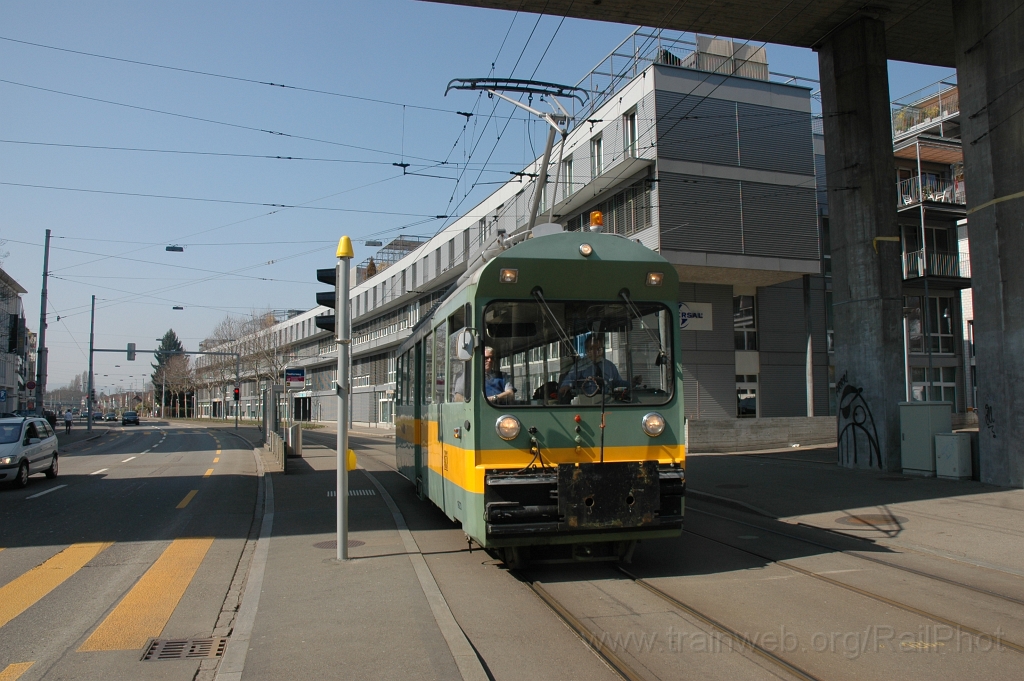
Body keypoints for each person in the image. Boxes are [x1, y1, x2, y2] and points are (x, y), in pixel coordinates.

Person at [559, 334, 628, 400]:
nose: (595, 352)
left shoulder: (610, 366)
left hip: (608, 402)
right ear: (586, 350)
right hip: (587, 402)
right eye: (592, 349)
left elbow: (618, 383)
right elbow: (569, 380)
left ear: (602, 350)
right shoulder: (580, 366)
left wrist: (631, 383)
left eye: (598, 349)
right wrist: (566, 386)